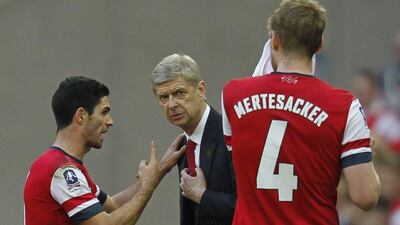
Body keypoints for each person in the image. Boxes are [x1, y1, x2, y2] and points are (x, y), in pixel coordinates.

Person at [221, 0, 381, 224]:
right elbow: (366, 196)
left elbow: (237, 166)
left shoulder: (233, 94)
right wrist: (361, 158)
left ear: (275, 40)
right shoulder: (344, 106)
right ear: (319, 45)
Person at [24, 76, 185, 225]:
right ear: (81, 116)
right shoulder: (62, 171)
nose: (110, 122)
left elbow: (113, 206)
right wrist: (148, 188)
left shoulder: (60, 165)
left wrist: (158, 172)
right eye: (104, 112)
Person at [150, 54, 236, 225]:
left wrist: (203, 197)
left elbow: (251, 209)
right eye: (163, 97)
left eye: (179, 93)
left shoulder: (230, 136)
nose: (171, 104)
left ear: (201, 90)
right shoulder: (183, 146)